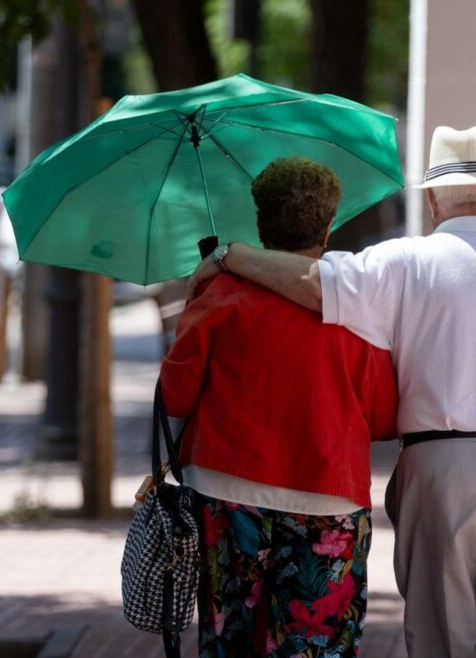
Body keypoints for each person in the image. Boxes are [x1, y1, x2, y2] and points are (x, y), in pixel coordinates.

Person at [188, 125, 476, 658]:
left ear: (433, 200)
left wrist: (230, 257)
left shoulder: (402, 262)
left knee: (442, 638)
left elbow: (309, 283)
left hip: (440, 468)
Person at [160, 157, 398, 658]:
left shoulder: (220, 293)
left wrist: (194, 299)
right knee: (318, 645)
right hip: (326, 496)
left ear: (261, 225)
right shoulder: (356, 306)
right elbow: (382, 416)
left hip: (228, 492)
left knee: (230, 642)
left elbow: (176, 396)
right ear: (329, 226)